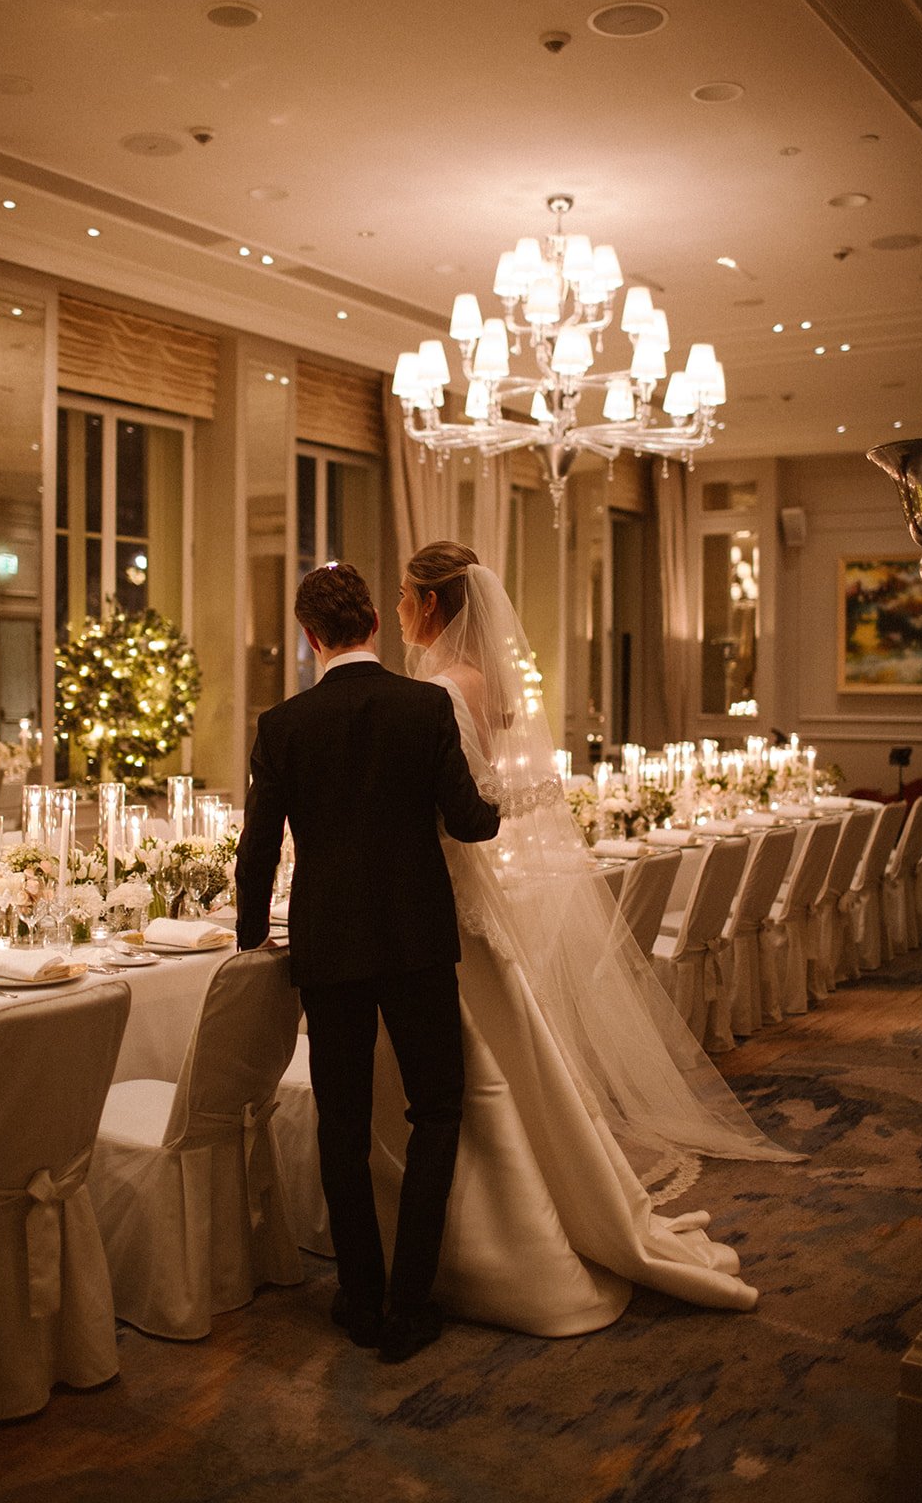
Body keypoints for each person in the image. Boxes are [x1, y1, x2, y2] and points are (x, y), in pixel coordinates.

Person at [364, 539, 805, 1333]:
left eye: (403, 593)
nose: (396, 607)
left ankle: (489, 1242)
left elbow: (457, 806)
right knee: (500, 1057)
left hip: (437, 895)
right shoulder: (482, 685)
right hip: (462, 889)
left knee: (464, 1068)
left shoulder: (441, 690)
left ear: (431, 605)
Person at [235, 562, 500, 1362]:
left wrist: (251, 939)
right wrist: (501, 801)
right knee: (438, 1111)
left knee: (341, 1126)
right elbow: (470, 824)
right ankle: (410, 1302)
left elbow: (257, 850)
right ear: (373, 629)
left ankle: (358, 1294)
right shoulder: (422, 706)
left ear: (309, 636)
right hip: (417, 938)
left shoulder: (282, 724)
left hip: (330, 944)